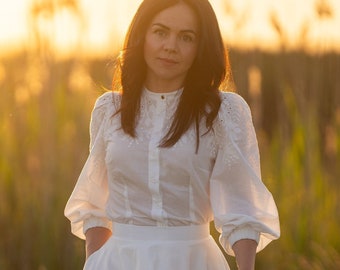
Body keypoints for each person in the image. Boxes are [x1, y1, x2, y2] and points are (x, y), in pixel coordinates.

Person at [64, 0, 280, 269]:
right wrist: (94, 261)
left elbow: (242, 209)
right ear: (142, 35)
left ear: (200, 47)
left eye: (186, 37)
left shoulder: (225, 112)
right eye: (160, 32)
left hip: (194, 261)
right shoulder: (109, 109)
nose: (171, 46)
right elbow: (94, 206)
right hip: (117, 262)